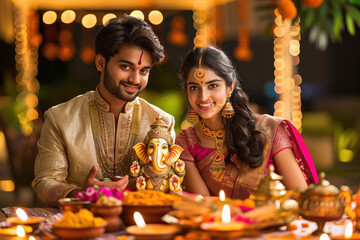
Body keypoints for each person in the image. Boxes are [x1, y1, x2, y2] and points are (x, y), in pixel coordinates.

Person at [32, 15, 176, 207]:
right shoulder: (61, 119)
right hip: (81, 224)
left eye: (144, 71)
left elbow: (169, 185)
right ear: (100, 63)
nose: (135, 79)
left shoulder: (162, 123)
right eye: (125, 67)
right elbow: (44, 182)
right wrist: (81, 193)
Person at [175, 46, 318, 199]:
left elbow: (301, 197)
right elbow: (204, 205)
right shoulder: (186, 141)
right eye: (194, 87)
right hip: (219, 222)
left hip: (274, 220)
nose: (203, 97)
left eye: (213, 86)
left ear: (230, 87)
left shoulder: (269, 129)